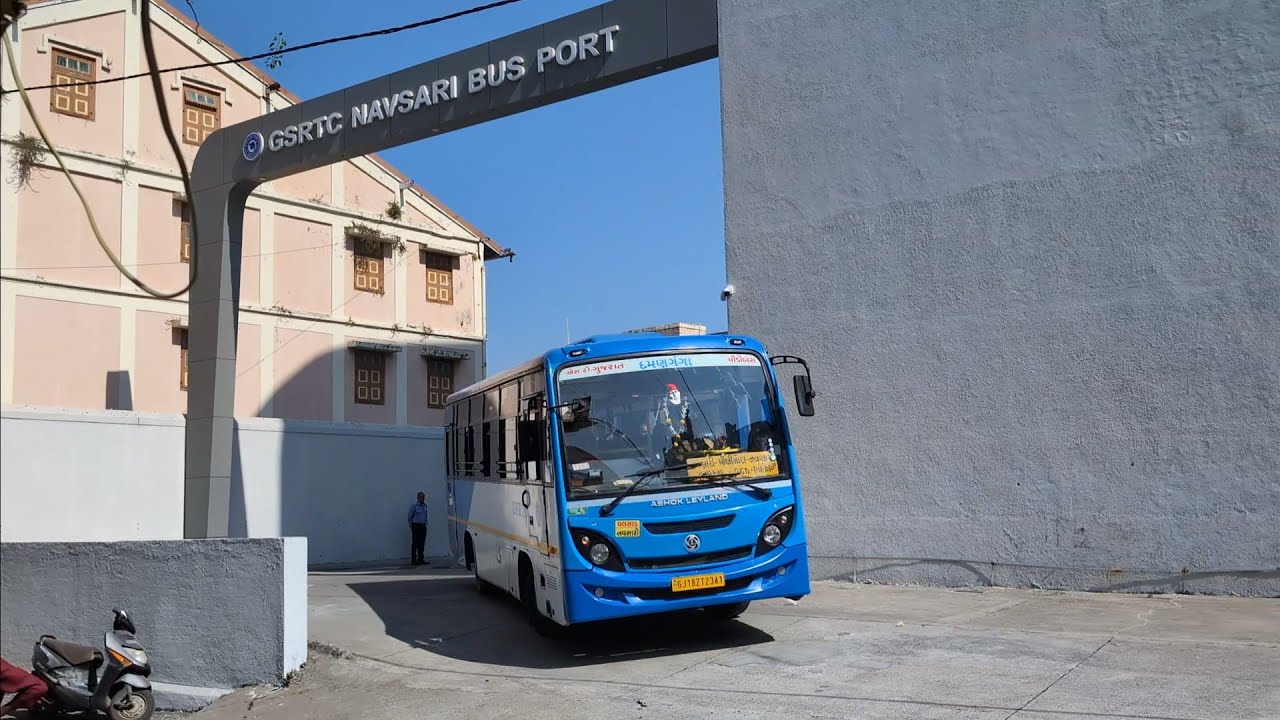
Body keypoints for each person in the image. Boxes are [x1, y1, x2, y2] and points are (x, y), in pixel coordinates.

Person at [407, 492, 429, 566]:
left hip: (423, 525)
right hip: (416, 526)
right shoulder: (414, 506)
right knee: (415, 543)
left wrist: (426, 523)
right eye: (420, 497)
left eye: (423, 497)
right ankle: (414, 560)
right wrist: (411, 526)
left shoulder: (425, 506)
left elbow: (425, 515)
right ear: (417, 498)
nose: (422, 498)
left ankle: (420, 559)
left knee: (422, 543)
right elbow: (410, 516)